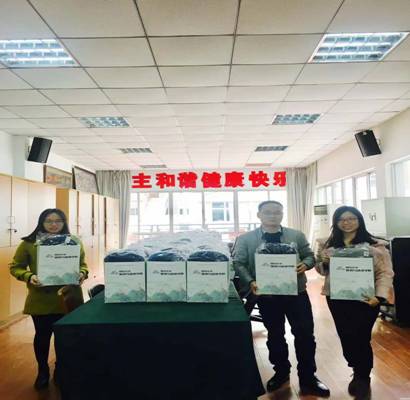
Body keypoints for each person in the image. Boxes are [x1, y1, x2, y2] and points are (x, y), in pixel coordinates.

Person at [233, 200, 330, 397]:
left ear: (282, 214)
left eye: (277, 212)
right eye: (267, 212)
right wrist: (250, 281)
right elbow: (239, 263)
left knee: (305, 335)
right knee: (275, 334)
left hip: (296, 293)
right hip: (267, 295)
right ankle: (281, 372)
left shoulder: (296, 235)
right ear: (259, 215)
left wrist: (305, 264)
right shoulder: (245, 239)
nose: (273, 215)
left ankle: (308, 377)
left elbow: (310, 256)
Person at [316, 206, 393, 399]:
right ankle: (355, 366)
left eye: (351, 218)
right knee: (346, 335)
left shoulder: (375, 245)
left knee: (361, 336)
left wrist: (379, 297)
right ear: (336, 222)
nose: (347, 222)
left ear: (359, 220)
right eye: (342, 219)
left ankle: (362, 376)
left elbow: (385, 273)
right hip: (338, 298)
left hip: (366, 299)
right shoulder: (327, 244)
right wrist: (324, 263)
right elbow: (321, 271)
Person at [9, 208, 88, 390]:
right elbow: (15, 267)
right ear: (41, 222)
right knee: (42, 337)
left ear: (64, 222)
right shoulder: (29, 243)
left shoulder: (74, 242)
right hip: (41, 299)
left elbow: (83, 265)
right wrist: (29, 276)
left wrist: (82, 274)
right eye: (49, 221)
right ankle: (43, 371)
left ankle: (60, 369)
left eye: (58, 221)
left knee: (65, 338)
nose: (53, 225)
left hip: (68, 298)